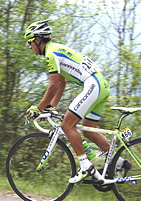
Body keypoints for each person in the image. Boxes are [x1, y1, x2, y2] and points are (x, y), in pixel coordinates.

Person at [24, 20, 128, 183]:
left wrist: (39, 108)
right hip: (102, 85)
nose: (29, 46)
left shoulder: (51, 54)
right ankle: (119, 163)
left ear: (38, 39)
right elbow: (62, 82)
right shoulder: (55, 49)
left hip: (93, 85)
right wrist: (52, 106)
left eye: (30, 42)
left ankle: (86, 166)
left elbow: (53, 85)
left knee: (67, 125)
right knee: (88, 131)